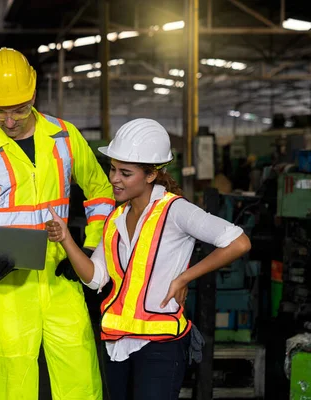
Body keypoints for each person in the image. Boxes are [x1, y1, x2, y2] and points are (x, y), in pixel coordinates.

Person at [45, 118, 252, 400]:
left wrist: (185, 277)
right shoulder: (115, 219)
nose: (114, 179)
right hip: (116, 344)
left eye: (125, 173)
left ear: (151, 175)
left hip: (161, 346)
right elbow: (95, 278)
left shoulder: (175, 211)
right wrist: (66, 239)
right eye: (113, 169)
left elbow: (238, 241)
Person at [0, 47, 115, 399]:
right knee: (15, 386)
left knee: (80, 383)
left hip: (62, 281)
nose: (9, 121)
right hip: (5, 291)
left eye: (19, 110)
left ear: (33, 95)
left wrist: (93, 247)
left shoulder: (64, 136)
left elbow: (100, 190)